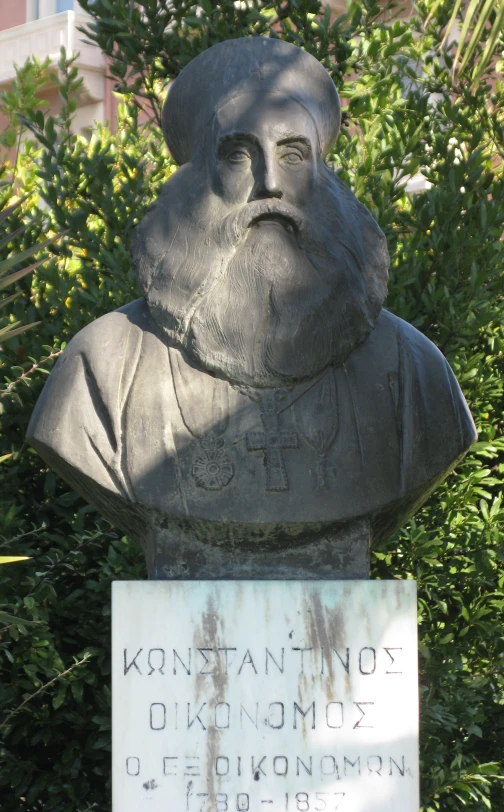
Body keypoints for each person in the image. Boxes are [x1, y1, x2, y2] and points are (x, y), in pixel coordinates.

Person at [27, 38, 476, 579]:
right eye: (238, 153)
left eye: (292, 154)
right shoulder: (99, 368)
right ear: (195, 179)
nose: (269, 184)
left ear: (323, 175)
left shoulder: (413, 372)